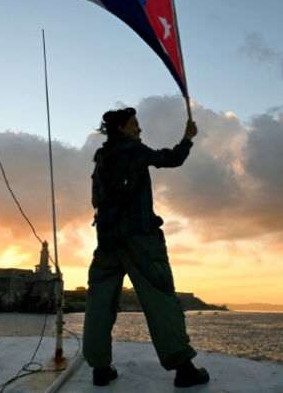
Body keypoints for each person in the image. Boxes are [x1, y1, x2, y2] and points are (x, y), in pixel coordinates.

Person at [82, 107, 209, 388]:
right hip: (139, 238)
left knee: (100, 305)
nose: (139, 129)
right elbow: (172, 158)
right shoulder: (134, 150)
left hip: (106, 243)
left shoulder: (101, 159)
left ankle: (100, 369)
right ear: (121, 129)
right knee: (160, 297)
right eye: (134, 124)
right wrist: (188, 137)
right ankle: (183, 367)